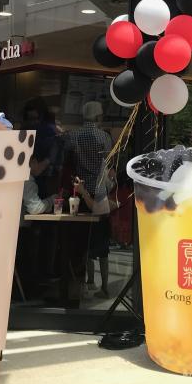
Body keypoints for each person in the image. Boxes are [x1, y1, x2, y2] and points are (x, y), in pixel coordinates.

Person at [63, 101, 113, 298]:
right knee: (102, 243)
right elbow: (108, 162)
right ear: (99, 116)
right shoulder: (104, 137)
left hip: (80, 189)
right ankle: (105, 286)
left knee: (83, 241)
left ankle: (87, 283)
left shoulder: (73, 135)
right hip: (100, 192)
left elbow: (66, 154)